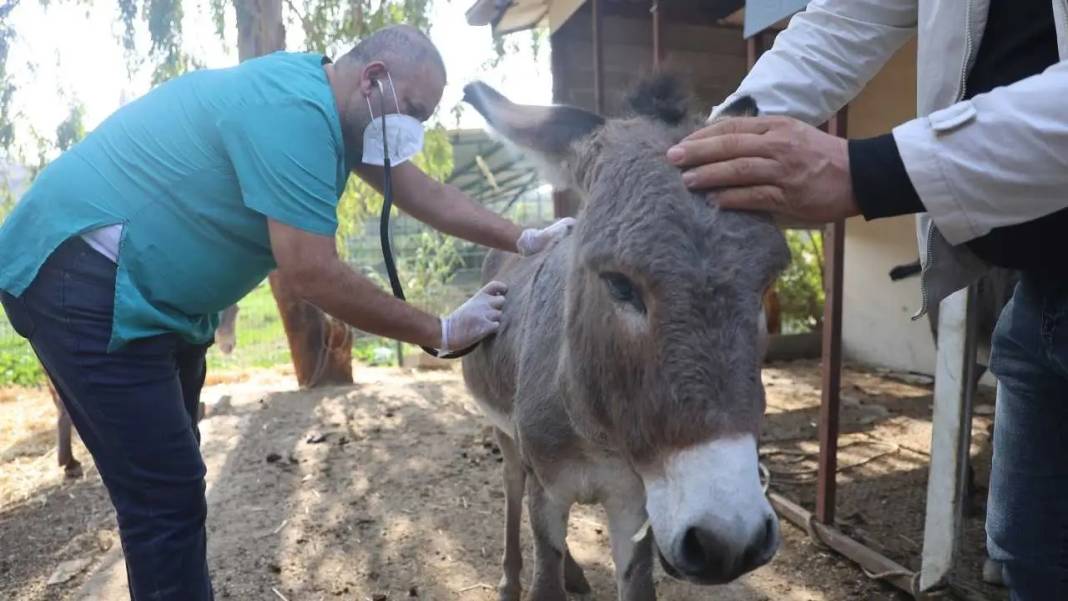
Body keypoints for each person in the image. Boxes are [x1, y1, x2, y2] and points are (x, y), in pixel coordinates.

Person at [0, 25, 570, 600]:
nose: (416, 131)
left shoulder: (337, 111)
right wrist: (440, 330)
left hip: (152, 301)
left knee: (171, 488)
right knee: (164, 496)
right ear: (373, 79)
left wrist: (526, 238)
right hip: (82, 275)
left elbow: (423, 192)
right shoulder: (294, 113)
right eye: (416, 112)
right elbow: (310, 271)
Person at [666, 1, 1068, 598]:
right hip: (1037, 298)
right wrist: (709, 152)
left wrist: (868, 169)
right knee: (1026, 554)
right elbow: (846, 19)